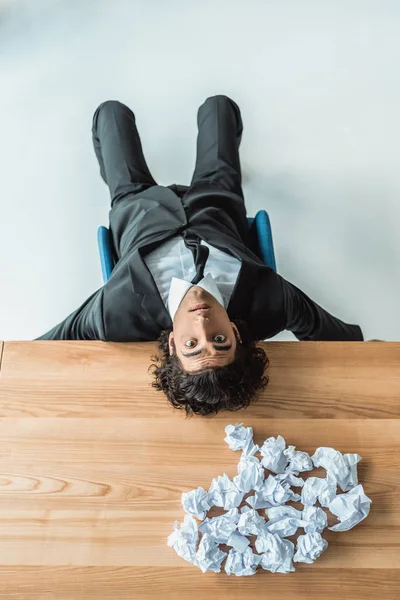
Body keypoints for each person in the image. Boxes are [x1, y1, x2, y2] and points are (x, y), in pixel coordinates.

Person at [36, 95, 363, 415]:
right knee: (219, 106)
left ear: (173, 345)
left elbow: (47, 346)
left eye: (193, 345)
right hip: (215, 197)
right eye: (220, 340)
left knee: (110, 113)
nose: (203, 324)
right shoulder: (269, 301)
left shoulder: (117, 312)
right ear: (236, 333)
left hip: (137, 203)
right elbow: (329, 332)